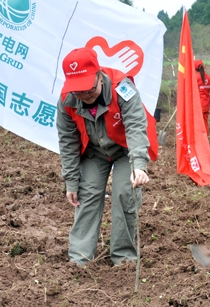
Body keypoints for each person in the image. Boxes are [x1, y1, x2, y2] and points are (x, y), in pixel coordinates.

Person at [56, 47, 158, 266]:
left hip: (124, 150)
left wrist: (139, 165)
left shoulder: (122, 88)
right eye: (78, 91)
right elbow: (68, 141)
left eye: (88, 90)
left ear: (99, 76)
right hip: (95, 152)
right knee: (87, 195)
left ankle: (123, 258)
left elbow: (136, 125)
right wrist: (71, 182)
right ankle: (79, 259)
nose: (85, 96)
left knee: (124, 194)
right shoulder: (67, 99)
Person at [194, 59, 210, 133]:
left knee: (197, 123)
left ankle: (199, 139)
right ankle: (205, 138)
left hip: (198, 104)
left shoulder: (195, 78)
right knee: (205, 122)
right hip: (206, 104)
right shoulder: (209, 78)